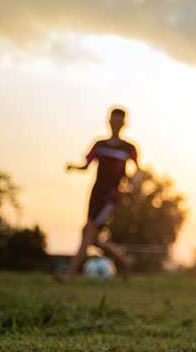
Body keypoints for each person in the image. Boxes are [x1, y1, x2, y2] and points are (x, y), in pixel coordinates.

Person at [53, 107, 139, 283]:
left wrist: (135, 181)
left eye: (119, 121)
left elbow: (137, 170)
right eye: (113, 120)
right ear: (108, 121)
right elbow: (86, 165)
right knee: (92, 239)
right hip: (95, 194)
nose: (115, 124)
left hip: (110, 196)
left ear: (124, 124)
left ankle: (69, 275)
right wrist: (74, 167)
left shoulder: (129, 148)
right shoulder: (100, 145)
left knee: (87, 231)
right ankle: (125, 260)